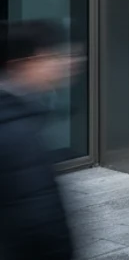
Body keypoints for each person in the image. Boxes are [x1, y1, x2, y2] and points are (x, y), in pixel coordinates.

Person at [0, 20, 76, 260]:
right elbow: (41, 219)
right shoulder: (15, 130)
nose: (64, 63)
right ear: (24, 64)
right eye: (51, 56)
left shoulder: (20, 116)